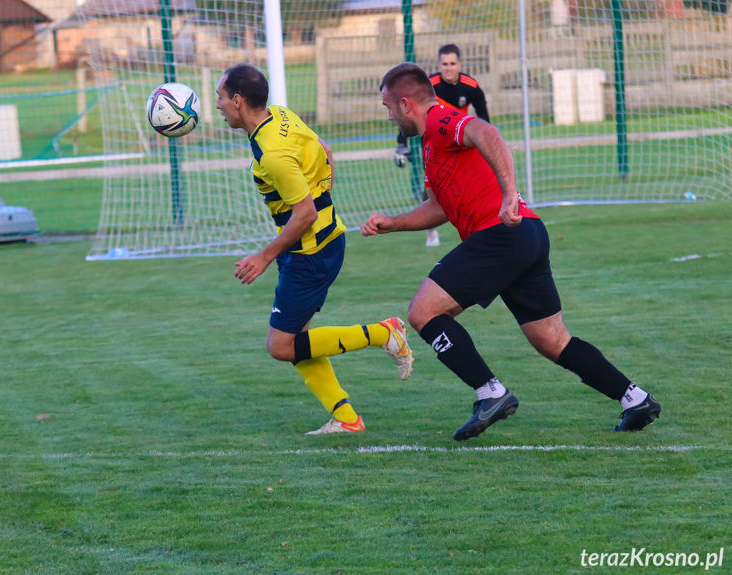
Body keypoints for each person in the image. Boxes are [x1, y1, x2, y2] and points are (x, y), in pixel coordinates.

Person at [363, 62, 661, 441]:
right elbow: (439, 207)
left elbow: (488, 133)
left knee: (423, 312)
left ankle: (491, 393)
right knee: (552, 340)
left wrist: (508, 195)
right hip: (525, 235)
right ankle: (635, 399)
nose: (389, 116)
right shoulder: (429, 143)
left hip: (500, 233)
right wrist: (394, 222)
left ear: (406, 104)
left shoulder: (441, 119)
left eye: (388, 107)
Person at [216, 64, 414, 435]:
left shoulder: (272, 151)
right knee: (297, 339)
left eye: (221, 97)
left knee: (280, 345)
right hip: (320, 243)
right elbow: (325, 150)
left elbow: (304, 213)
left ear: (238, 101)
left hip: (309, 253)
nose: (217, 105)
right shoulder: (281, 116)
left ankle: (384, 333)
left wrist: (265, 255)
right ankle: (346, 418)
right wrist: (323, 199)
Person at [394, 44, 491, 248]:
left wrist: (487, 144)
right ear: (438, 64)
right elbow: (407, 115)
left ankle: (477, 223)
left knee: (468, 182)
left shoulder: (470, 86)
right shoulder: (429, 86)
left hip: (458, 140)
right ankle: (431, 231)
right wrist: (401, 145)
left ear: (460, 64)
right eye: (444, 63)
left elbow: (484, 118)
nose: (448, 68)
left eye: (452, 63)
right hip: (433, 141)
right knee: (433, 184)